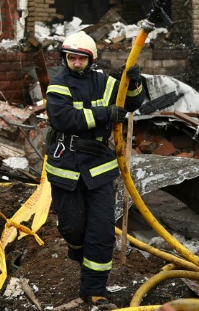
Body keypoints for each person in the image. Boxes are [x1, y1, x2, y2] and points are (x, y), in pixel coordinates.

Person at [45, 31, 146, 308]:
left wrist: (135, 82)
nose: (76, 63)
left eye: (81, 58)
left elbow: (134, 102)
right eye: (71, 58)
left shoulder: (105, 82)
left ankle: (95, 291)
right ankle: (77, 251)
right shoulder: (58, 84)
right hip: (66, 164)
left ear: (91, 59)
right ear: (66, 59)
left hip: (99, 166)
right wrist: (104, 114)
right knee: (73, 227)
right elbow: (64, 118)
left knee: (101, 232)